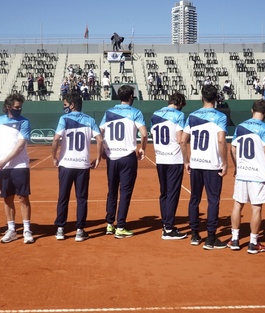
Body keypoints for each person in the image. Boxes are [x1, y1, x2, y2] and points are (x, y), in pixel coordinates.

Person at [180, 84, 228, 249]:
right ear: (216, 99)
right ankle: (211, 238)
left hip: (196, 164)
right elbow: (221, 140)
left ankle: (194, 234)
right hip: (212, 165)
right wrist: (225, 163)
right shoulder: (220, 116)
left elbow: (183, 140)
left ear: (202, 97)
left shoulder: (192, 116)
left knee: (194, 199)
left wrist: (186, 161)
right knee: (213, 201)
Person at [51, 92, 103, 242]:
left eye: (65, 104)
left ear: (72, 104)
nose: (64, 107)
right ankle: (80, 230)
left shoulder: (64, 119)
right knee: (81, 198)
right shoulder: (90, 120)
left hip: (66, 164)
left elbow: (56, 139)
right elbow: (100, 140)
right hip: (82, 165)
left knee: (63, 197)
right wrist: (98, 158)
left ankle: (60, 228)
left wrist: (54, 157)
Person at [228, 99, 265, 254]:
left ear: (252, 110)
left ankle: (234, 239)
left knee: (238, 204)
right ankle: (253, 242)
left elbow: (233, 148)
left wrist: (237, 166)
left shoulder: (241, 126)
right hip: (258, 174)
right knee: (256, 207)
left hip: (242, 172)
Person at [99, 85, 148, 238]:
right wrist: (142, 149)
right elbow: (144, 134)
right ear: (131, 97)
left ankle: (109, 224)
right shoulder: (136, 112)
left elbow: (100, 133)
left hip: (112, 157)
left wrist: (102, 152)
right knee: (125, 192)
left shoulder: (108, 112)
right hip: (127, 156)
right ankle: (120, 226)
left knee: (112, 191)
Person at [0, 94, 34, 244]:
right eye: (17, 107)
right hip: (3, 167)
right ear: (9, 106)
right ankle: (11, 230)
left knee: (23, 197)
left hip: (20, 166)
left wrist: (4, 160)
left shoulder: (24, 122)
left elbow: (20, 146)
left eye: (20, 107)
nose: (19, 109)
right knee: (7, 198)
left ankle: (27, 229)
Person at [151, 93, 187, 240]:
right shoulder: (179, 115)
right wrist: (186, 159)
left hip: (160, 157)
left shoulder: (155, 114)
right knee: (172, 193)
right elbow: (180, 139)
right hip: (174, 158)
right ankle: (169, 229)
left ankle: (166, 224)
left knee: (164, 192)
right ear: (179, 103)